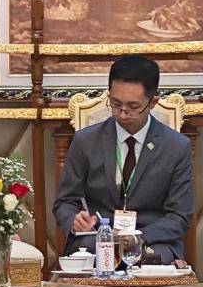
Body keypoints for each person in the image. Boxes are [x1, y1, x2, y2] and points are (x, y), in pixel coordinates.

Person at [53, 55, 193, 265]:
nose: (123, 114)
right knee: (95, 253)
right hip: (98, 238)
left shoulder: (176, 147)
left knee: (152, 259)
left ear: (152, 102)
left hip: (151, 240)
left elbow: (180, 216)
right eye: (116, 103)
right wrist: (74, 220)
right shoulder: (86, 141)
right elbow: (65, 202)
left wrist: (137, 237)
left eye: (133, 106)